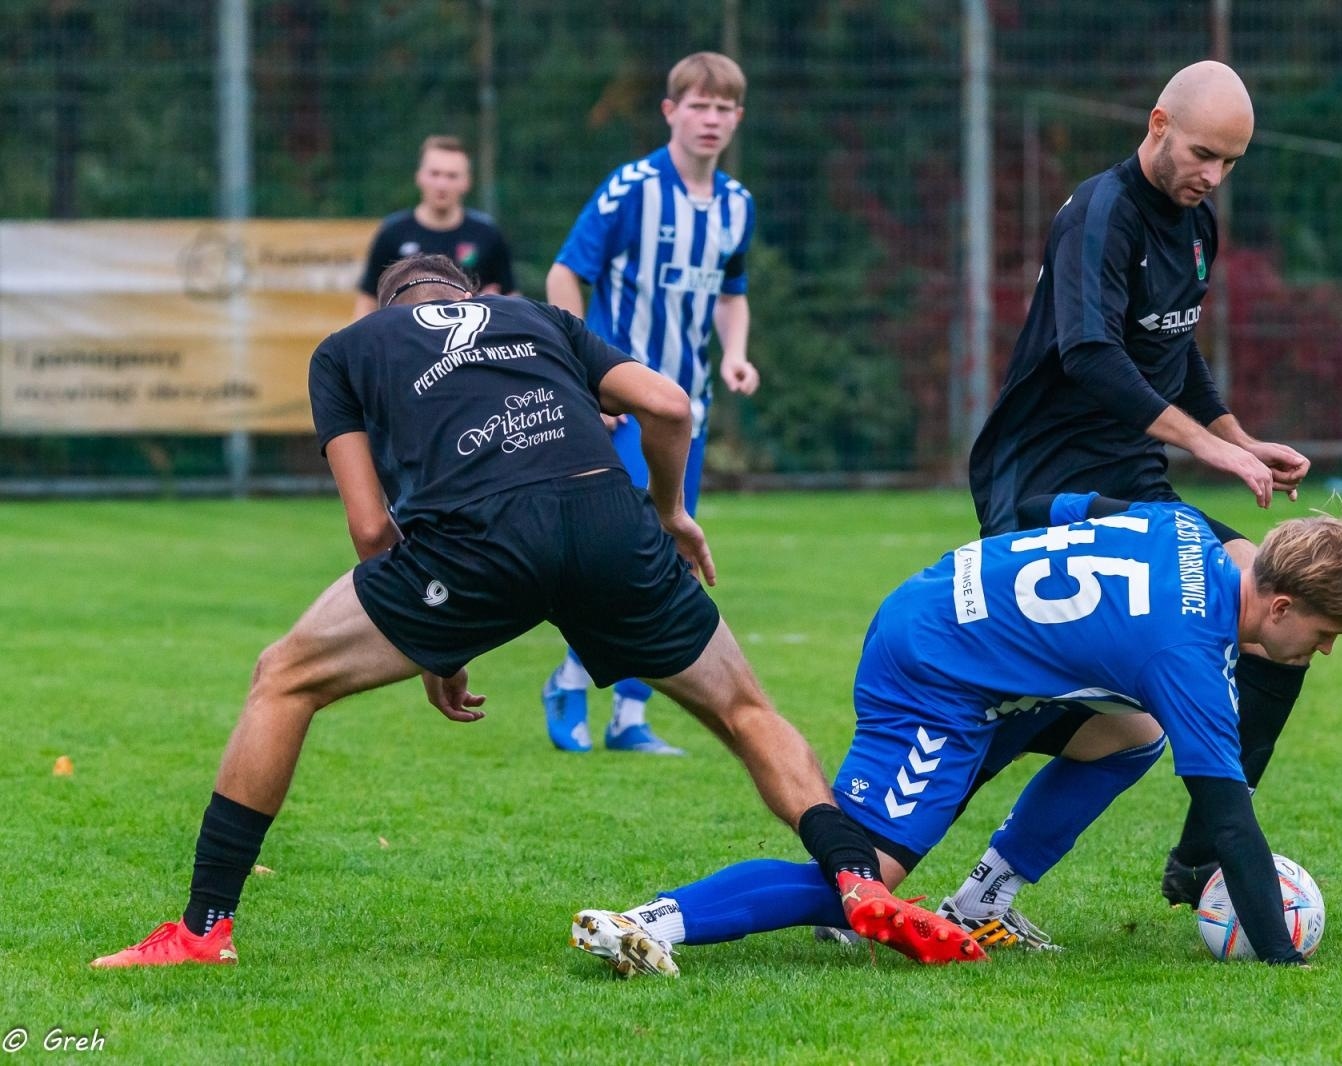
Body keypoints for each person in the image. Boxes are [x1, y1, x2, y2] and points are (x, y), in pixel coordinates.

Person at [90, 254, 973, 969]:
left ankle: (205, 929)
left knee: (282, 679)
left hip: (476, 543)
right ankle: (859, 880)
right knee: (747, 714)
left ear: (388, 306)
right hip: (606, 523)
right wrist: (668, 513)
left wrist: (440, 643)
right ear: (473, 297)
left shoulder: (351, 349)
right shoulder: (537, 322)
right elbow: (669, 405)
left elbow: (369, 529)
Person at [571, 493, 1342, 977]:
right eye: (1323, 633)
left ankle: (983, 898)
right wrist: (1281, 959)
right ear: (1278, 607)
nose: (1324, 650)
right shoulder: (1188, 654)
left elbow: (1055, 508)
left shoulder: (1185, 532)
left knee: (1132, 730)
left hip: (954, 619)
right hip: (934, 671)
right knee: (865, 876)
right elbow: (1229, 818)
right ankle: (649, 922)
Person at [964, 60, 1323, 914]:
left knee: (1283, 615)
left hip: (1131, 482)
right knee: (1048, 708)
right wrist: (1210, 450)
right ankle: (871, 852)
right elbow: (1091, 355)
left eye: (1231, 163)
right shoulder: (1100, 214)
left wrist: (1240, 439)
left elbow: (1173, 347)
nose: (1212, 175)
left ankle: (1200, 860)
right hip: (1042, 483)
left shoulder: (1198, 227)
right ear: (1158, 123)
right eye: (1203, 153)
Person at [540, 51, 760, 756]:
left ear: (737, 119)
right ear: (670, 111)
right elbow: (565, 273)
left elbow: (731, 292)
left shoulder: (736, 205)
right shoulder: (631, 188)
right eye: (698, 105)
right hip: (622, 404)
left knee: (670, 549)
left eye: (724, 108)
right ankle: (571, 675)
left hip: (684, 409)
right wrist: (580, 375)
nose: (711, 119)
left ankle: (630, 717)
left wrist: (733, 353)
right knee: (620, 550)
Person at [352, 135, 517, 319]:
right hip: (405, 342)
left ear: (467, 182)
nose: (442, 184)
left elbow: (511, 299)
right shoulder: (392, 233)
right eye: (435, 173)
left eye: (451, 176)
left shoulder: (488, 234)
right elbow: (367, 301)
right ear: (419, 176)